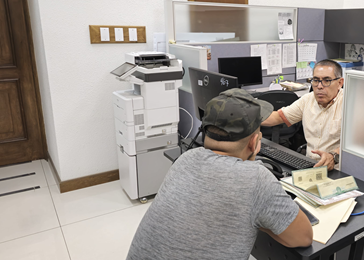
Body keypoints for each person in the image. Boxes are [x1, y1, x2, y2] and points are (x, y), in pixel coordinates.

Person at [126, 89, 313, 260]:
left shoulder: (186, 159)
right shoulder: (256, 179)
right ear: (255, 141)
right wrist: (258, 218)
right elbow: (303, 237)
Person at [262, 60, 344, 170]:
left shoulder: (350, 105)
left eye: (327, 80)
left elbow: (358, 145)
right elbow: (277, 117)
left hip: (338, 169)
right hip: (309, 166)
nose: (319, 86)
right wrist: (243, 117)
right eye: (316, 80)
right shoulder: (307, 100)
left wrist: (334, 156)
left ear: (340, 83)